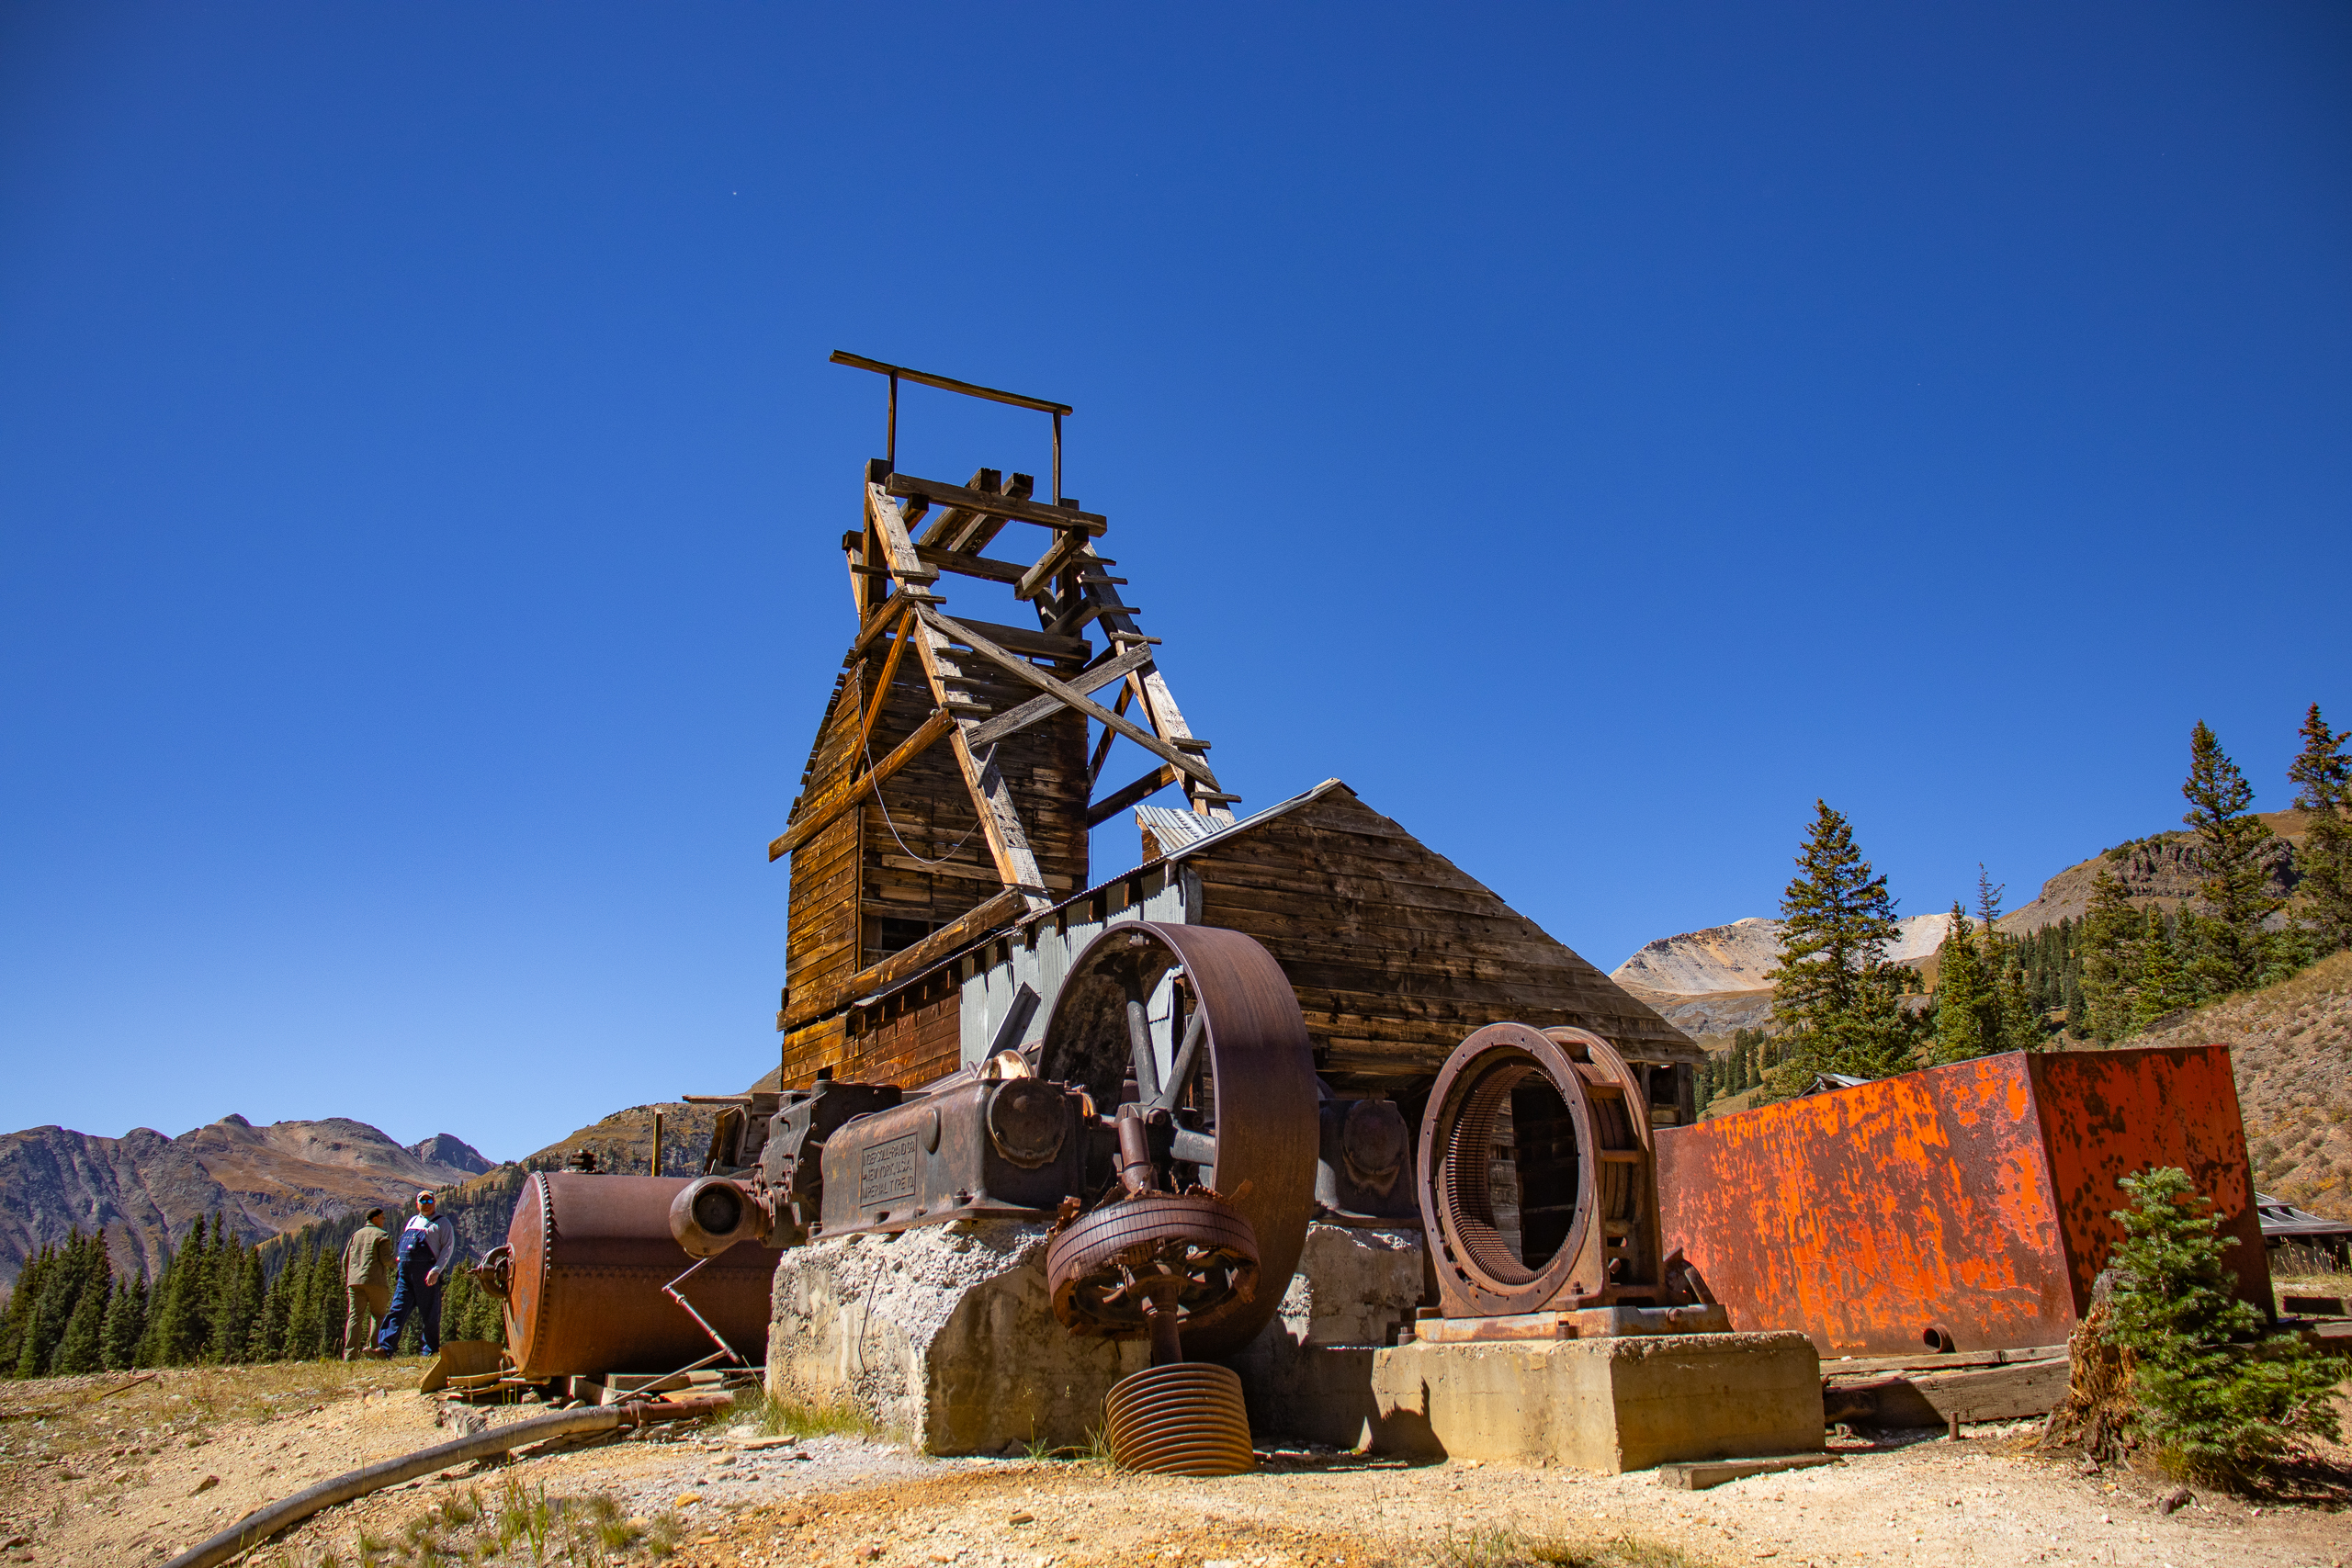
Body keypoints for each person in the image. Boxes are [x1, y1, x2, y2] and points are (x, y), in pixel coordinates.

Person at [372, 1189, 457, 1359]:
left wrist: (436, 1270)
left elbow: (447, 1250)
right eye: (422, 1201)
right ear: (417, 1204)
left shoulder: (442, 1223)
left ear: (434, 1202)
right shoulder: (412, 1221)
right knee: (397, 1310)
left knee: (430, 1315)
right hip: (405, 1276)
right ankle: (385, 1349)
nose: (426, 1204)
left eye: (429, 1201)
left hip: (427, 1276)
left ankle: (430, 1351)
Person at [340, 1207, 392, 1360]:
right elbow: (386, 1259)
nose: (384, 1220)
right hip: (375, 1281)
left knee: (355, 1317)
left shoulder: (356, 1235)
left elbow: (345, 1260)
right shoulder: (382, 1235)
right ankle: (374, 1352)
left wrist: (348, 1279)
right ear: (375, 1219)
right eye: (382, 1217)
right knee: (378, 1316)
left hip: (354, 1282)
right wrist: (399, 1262)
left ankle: (349, 1356)